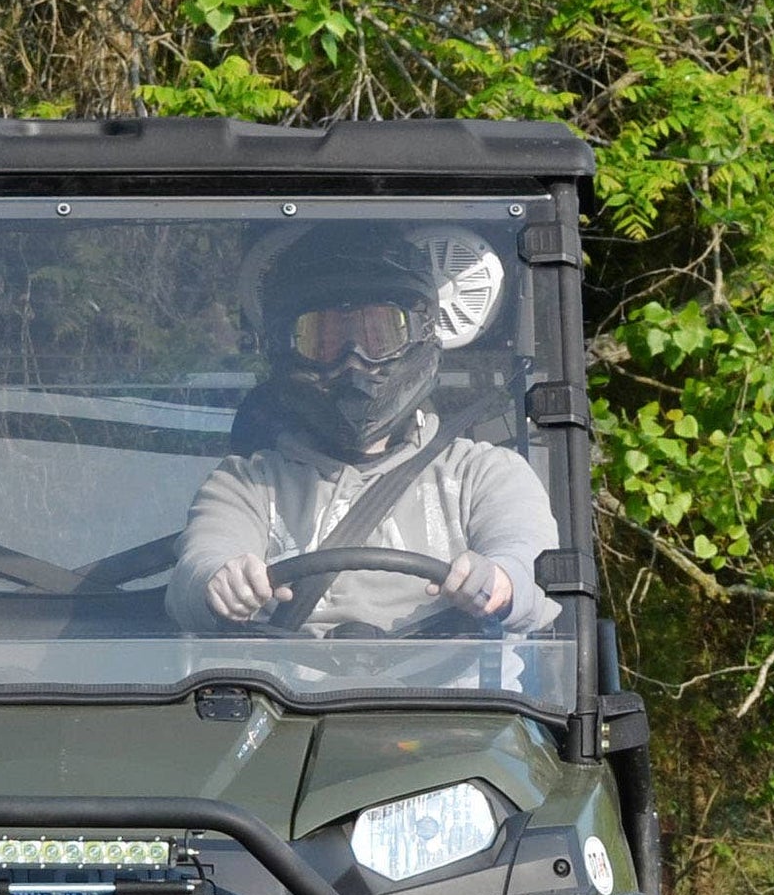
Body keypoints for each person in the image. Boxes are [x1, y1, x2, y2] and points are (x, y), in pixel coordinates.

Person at [166, 225, 559, 638]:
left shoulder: (483, 472)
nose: (354, 361)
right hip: (281, 695)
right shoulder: (248, 482)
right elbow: (197, 566)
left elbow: (534, 569)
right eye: (323, 339)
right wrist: (219, 581)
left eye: (381, 334)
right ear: (285, 347)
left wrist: (502, 581)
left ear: (423, 335)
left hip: (453, 696)